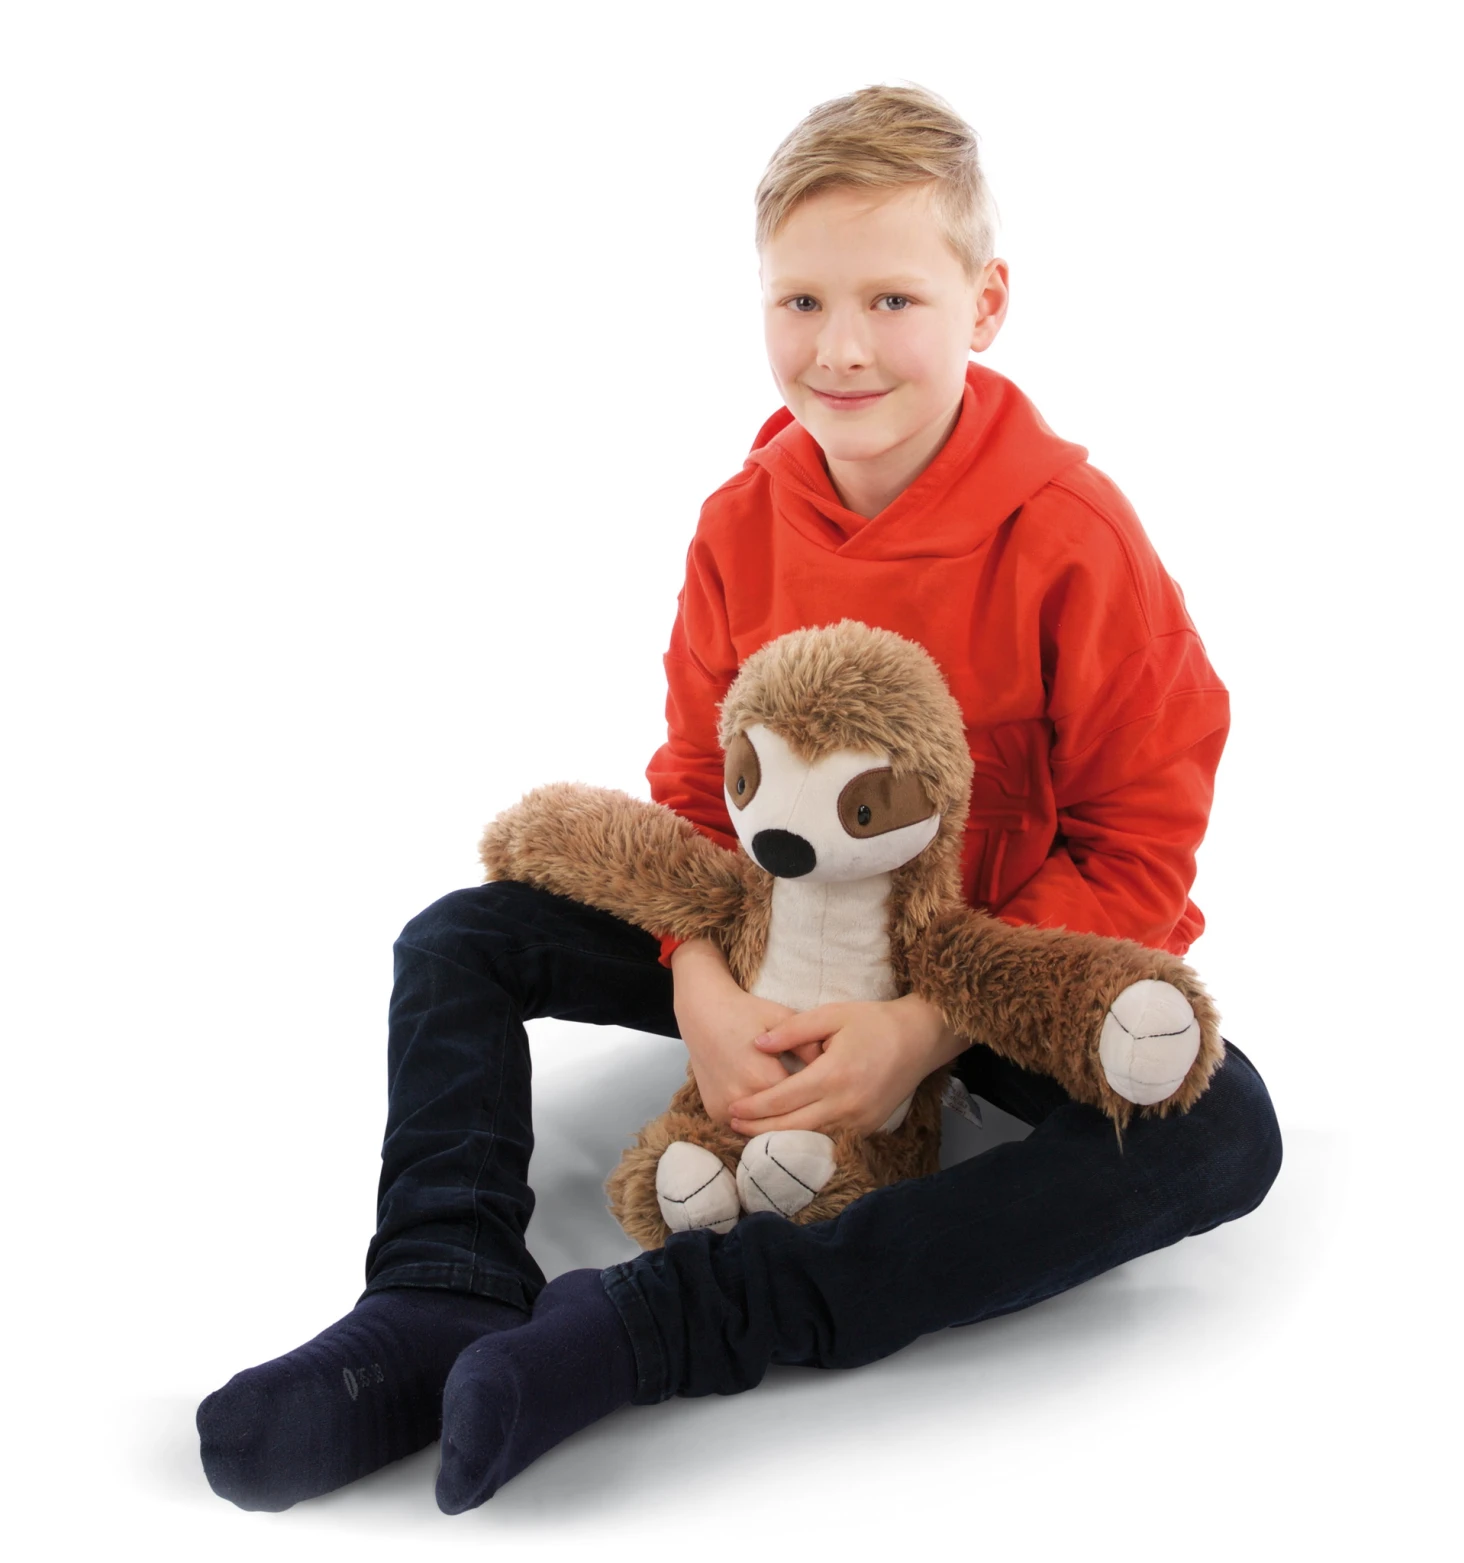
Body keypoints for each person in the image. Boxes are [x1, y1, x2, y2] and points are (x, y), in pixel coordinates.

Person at [197, 82, 1282, 1516]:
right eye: (801, 301)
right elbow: (696, 803)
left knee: (1222, 1133)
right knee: (459, 937)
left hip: (984, 968)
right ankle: (437, 1289)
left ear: (986, 302)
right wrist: (700, 980)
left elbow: (1140, 842)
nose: (842, 348)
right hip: (772, 948)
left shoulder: (1074, 538)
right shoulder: (740, 523)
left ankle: (679, 1319)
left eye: (893, 299)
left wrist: (925, 1025)